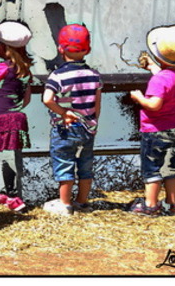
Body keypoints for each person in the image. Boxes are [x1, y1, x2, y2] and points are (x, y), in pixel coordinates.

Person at [128, 25, 175, 216]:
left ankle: (150, 205)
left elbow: (155, 104)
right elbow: (167, 79)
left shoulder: (158, 81)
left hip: (155, 131)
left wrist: (139, 97)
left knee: (152, 168)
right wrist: (152, 67)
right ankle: (171, 203)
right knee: (169, 167)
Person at [42, 24, 102, 216]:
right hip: (88, 128)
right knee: (85, 165)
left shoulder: (58, 76)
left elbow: (47, 99)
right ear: (88, 50)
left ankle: (65, 203)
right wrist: (93, 123)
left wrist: (63, 112)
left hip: (65, 128)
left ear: (60, 49)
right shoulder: (94, 76)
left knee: (64, 163)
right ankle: (82, 202)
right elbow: (97, 104)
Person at [0, 22, 33, 212]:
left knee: (4, 158)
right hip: (18, 117)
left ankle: (12, 196)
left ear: (2, 47)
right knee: (14, 156)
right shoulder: (26, 69)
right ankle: (8, 191)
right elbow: (26, 99)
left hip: (1, 117)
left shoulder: (0, 69)